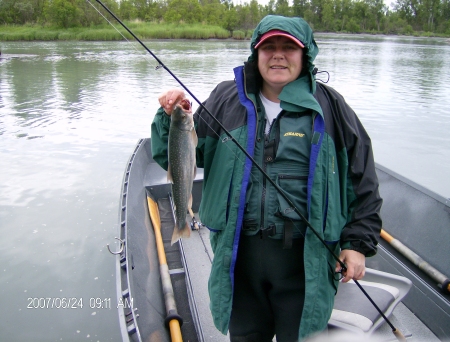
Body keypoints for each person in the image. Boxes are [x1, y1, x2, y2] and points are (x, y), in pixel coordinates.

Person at [151, 15, 382, 342]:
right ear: (255, 53)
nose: (277, 55)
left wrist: (357, 245)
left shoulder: (331, 109)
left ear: (305, 56)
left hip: (306, 266)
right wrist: (171, 117)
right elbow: (180, 157)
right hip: (239, 261)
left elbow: (363, 183)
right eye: (268, 47)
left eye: (289, 47)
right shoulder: (225, 99)